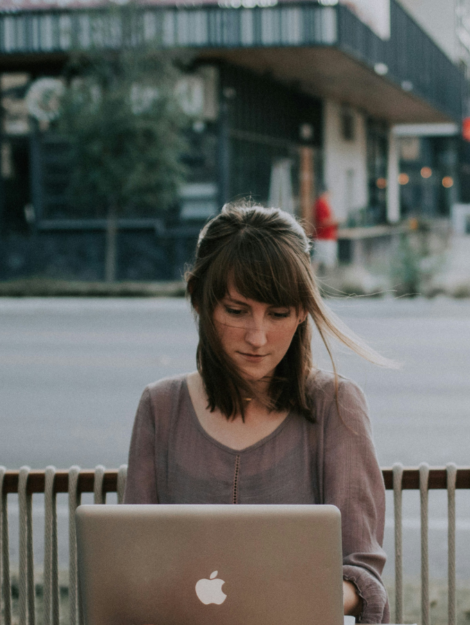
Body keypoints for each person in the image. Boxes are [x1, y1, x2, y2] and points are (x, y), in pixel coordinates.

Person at [124, 203, 392, 623]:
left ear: (303, 311)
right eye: (236, 310)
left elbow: (362, 578)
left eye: (279, 313)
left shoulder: (335, 404)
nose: (258, 336)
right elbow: (133, 563)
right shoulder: (161, 407)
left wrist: (279, 595)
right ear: (199, 300)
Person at [313, 187, 339, 272]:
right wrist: (335, 221)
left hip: (326, 236)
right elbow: (322, 222)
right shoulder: (321, 204)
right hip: (323, 237)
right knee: (324, 260)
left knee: (319, 259)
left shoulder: (324, 204)